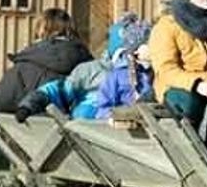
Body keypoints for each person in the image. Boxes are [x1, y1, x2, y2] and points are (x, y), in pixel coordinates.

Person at [0, 8, 92, 119]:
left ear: (41, 32)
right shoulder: (90, 65)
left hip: (36, 140)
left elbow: (0, 101)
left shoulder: (26, 66)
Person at [14, 12, 145, 122]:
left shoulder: (147, 75)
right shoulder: (92, 70)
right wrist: (33, 102)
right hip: (86, 132)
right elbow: (61, 89)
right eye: (123, 55)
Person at [95, 21, 155, 119]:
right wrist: (116, 116)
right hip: (125, 128)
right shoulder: (117, 75)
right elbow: (103, 108)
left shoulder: (159, 71)